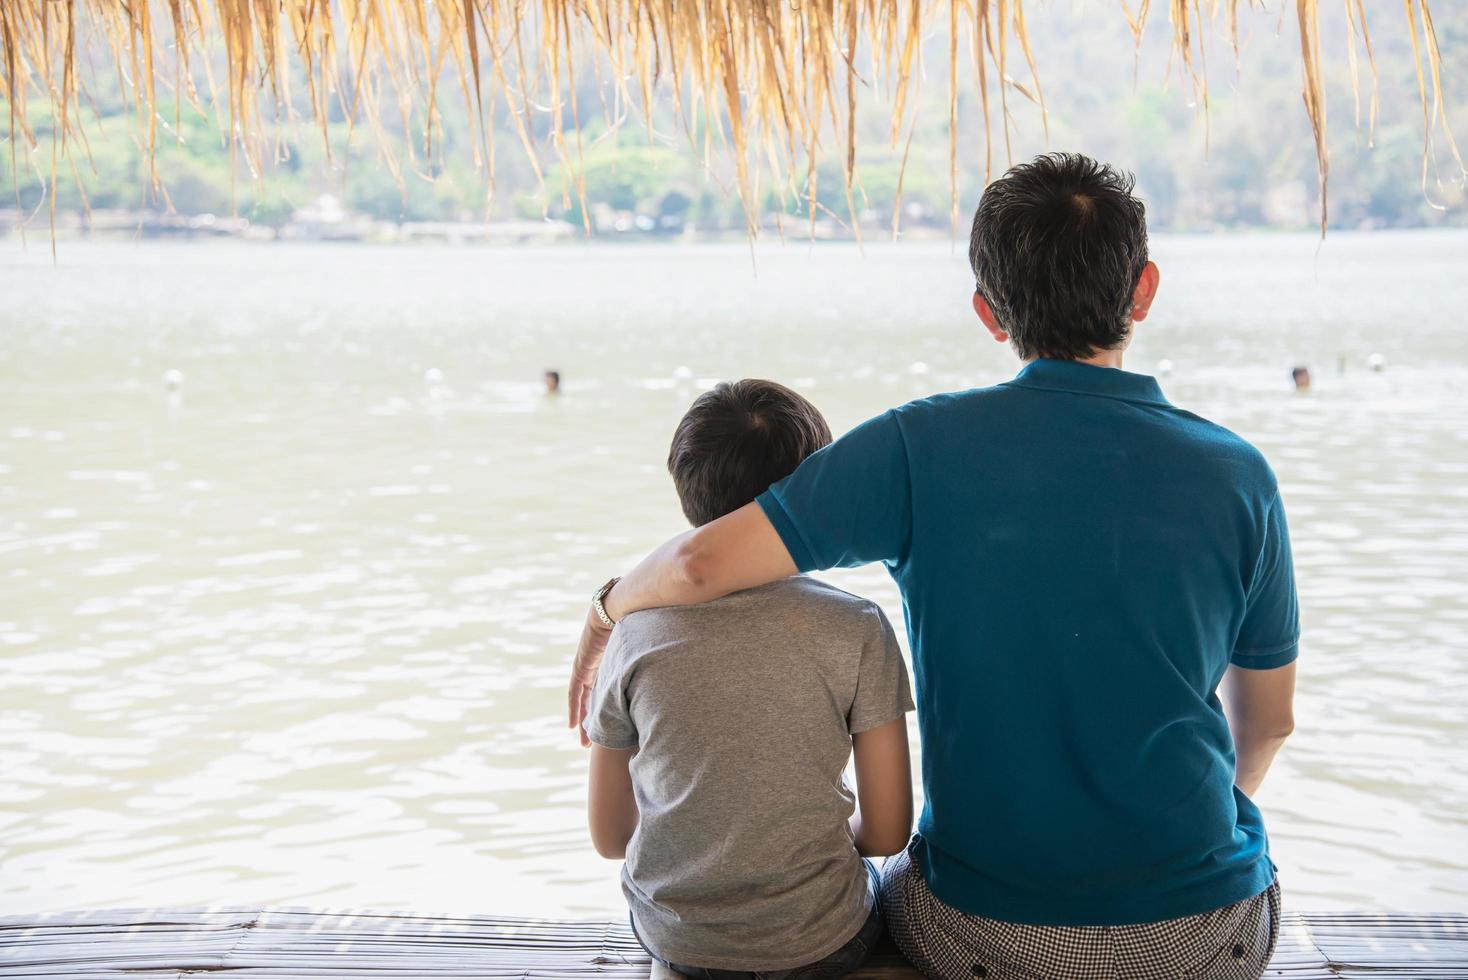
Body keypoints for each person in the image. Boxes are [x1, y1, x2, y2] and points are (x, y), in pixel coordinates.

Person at [569, 153, 1298, 980]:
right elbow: (1268, 723)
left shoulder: (919, 448)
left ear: (989, 312)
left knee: (883, 882)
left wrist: (605, 614)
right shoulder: (1240, 474)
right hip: (1202, 933)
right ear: (1145, 289)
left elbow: (702, 565)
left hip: (988, 936)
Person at [583, 379, 916, 978]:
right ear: (810, 492)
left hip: (676, 942)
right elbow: (889, 831)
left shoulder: (633, 635)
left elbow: (612, 840)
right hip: (824, 941)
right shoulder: (858, 627)